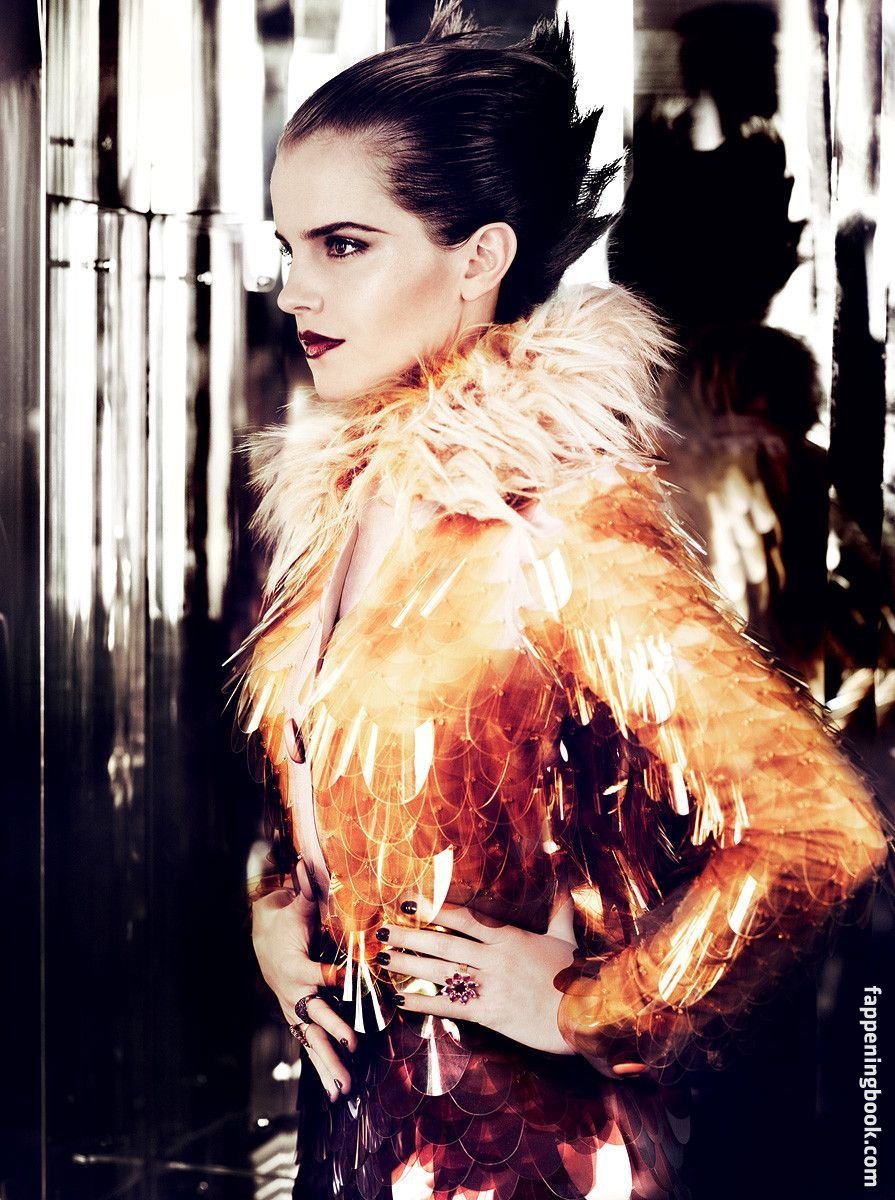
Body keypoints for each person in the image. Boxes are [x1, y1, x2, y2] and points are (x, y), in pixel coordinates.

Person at [230, 5, 893, 1198]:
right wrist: (281, 913)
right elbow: (336, 803)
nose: (294, 290)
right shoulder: (353, 509)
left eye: (343, 245)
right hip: (369, 1137)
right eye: (290, 245)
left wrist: (598, 1005)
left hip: (530, 1158)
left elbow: (815, 830)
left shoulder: (554, 526)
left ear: (477, 258)